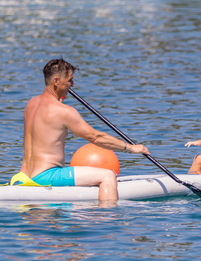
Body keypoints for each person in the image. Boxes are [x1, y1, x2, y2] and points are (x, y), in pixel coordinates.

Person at [19, 59, 149, 203]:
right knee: (107, 176)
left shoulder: (31, 104)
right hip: (46, 176)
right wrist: (131, 148)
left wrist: (60, 96)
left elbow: (48, 124)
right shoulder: (64, 112)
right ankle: (109, 221)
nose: (73, 85)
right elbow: (96, 137)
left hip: (23, 176)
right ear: (56, 81)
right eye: (70, 81)